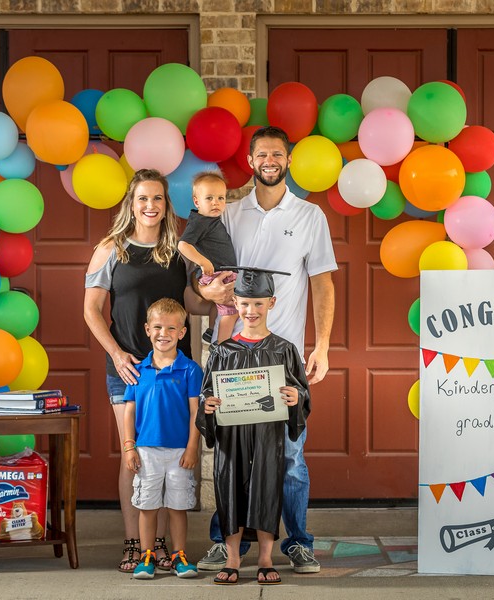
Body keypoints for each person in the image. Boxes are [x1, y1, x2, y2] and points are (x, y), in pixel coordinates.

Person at [196, 126, 336, 574]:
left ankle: (297, 541)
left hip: (286, 356)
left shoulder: (311, 215)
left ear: (288, 160)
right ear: (251, 161)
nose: (270, 160)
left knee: (291, 456)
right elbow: (207, 282)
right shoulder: (230, 213)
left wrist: (324, 345)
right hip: (234, 354)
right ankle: (224, 541)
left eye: (278, 153)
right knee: (231, 455)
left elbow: (323, 283)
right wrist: (214, 297)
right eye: (262, 154)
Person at [84, 168, 207, 573]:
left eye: (157, 198)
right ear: (131, 204)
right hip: (130, 370)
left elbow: (192, 301)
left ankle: (166, 546)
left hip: (174, 372)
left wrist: (217, 294)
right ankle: (135, 542)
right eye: (142, 199)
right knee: (133, 456)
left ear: (165, 204)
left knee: (170, 452)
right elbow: (91, 310)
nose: (150, 206)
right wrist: (118, 354)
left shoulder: (178, 249)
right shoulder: (112, 248)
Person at [196, 267, 310, 585]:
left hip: (268, 434)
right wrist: (208, 405)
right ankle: (233, 557)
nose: (251, 311)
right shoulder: (222, 352)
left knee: (266, 487)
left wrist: (294, 396)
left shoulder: (284, 350)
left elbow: (301, 392)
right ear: (235, 302)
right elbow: (208, 391)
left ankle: (264, 557)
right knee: (229, 486)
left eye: (258, 304)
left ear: (271, 303)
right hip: (232, 434)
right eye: (245, 303)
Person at [123, 298, 202, 580]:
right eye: (157, 327)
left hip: (180, 450)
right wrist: (129, 447)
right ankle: (147, 556)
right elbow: (129, 412)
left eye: (171, 328)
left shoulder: (191, 369)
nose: (163, 333)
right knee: (147, 506)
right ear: (147, 329)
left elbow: (196, 412)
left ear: (182, 332)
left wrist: (193, 446)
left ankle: (180, 555)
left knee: (178, 506)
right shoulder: (138, 370)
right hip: (146, 451)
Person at [177, 171, 238, 344]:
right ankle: (222, 345)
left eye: (221, 198)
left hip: (219, 272)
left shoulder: (210, 220)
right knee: (231, 311)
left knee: (218, 306)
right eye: (209, 198)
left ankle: (212, 331)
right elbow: (183, 245)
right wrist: (203, 262)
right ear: (197, 201)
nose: (216, 203)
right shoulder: (200, 220)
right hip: (217, 272)